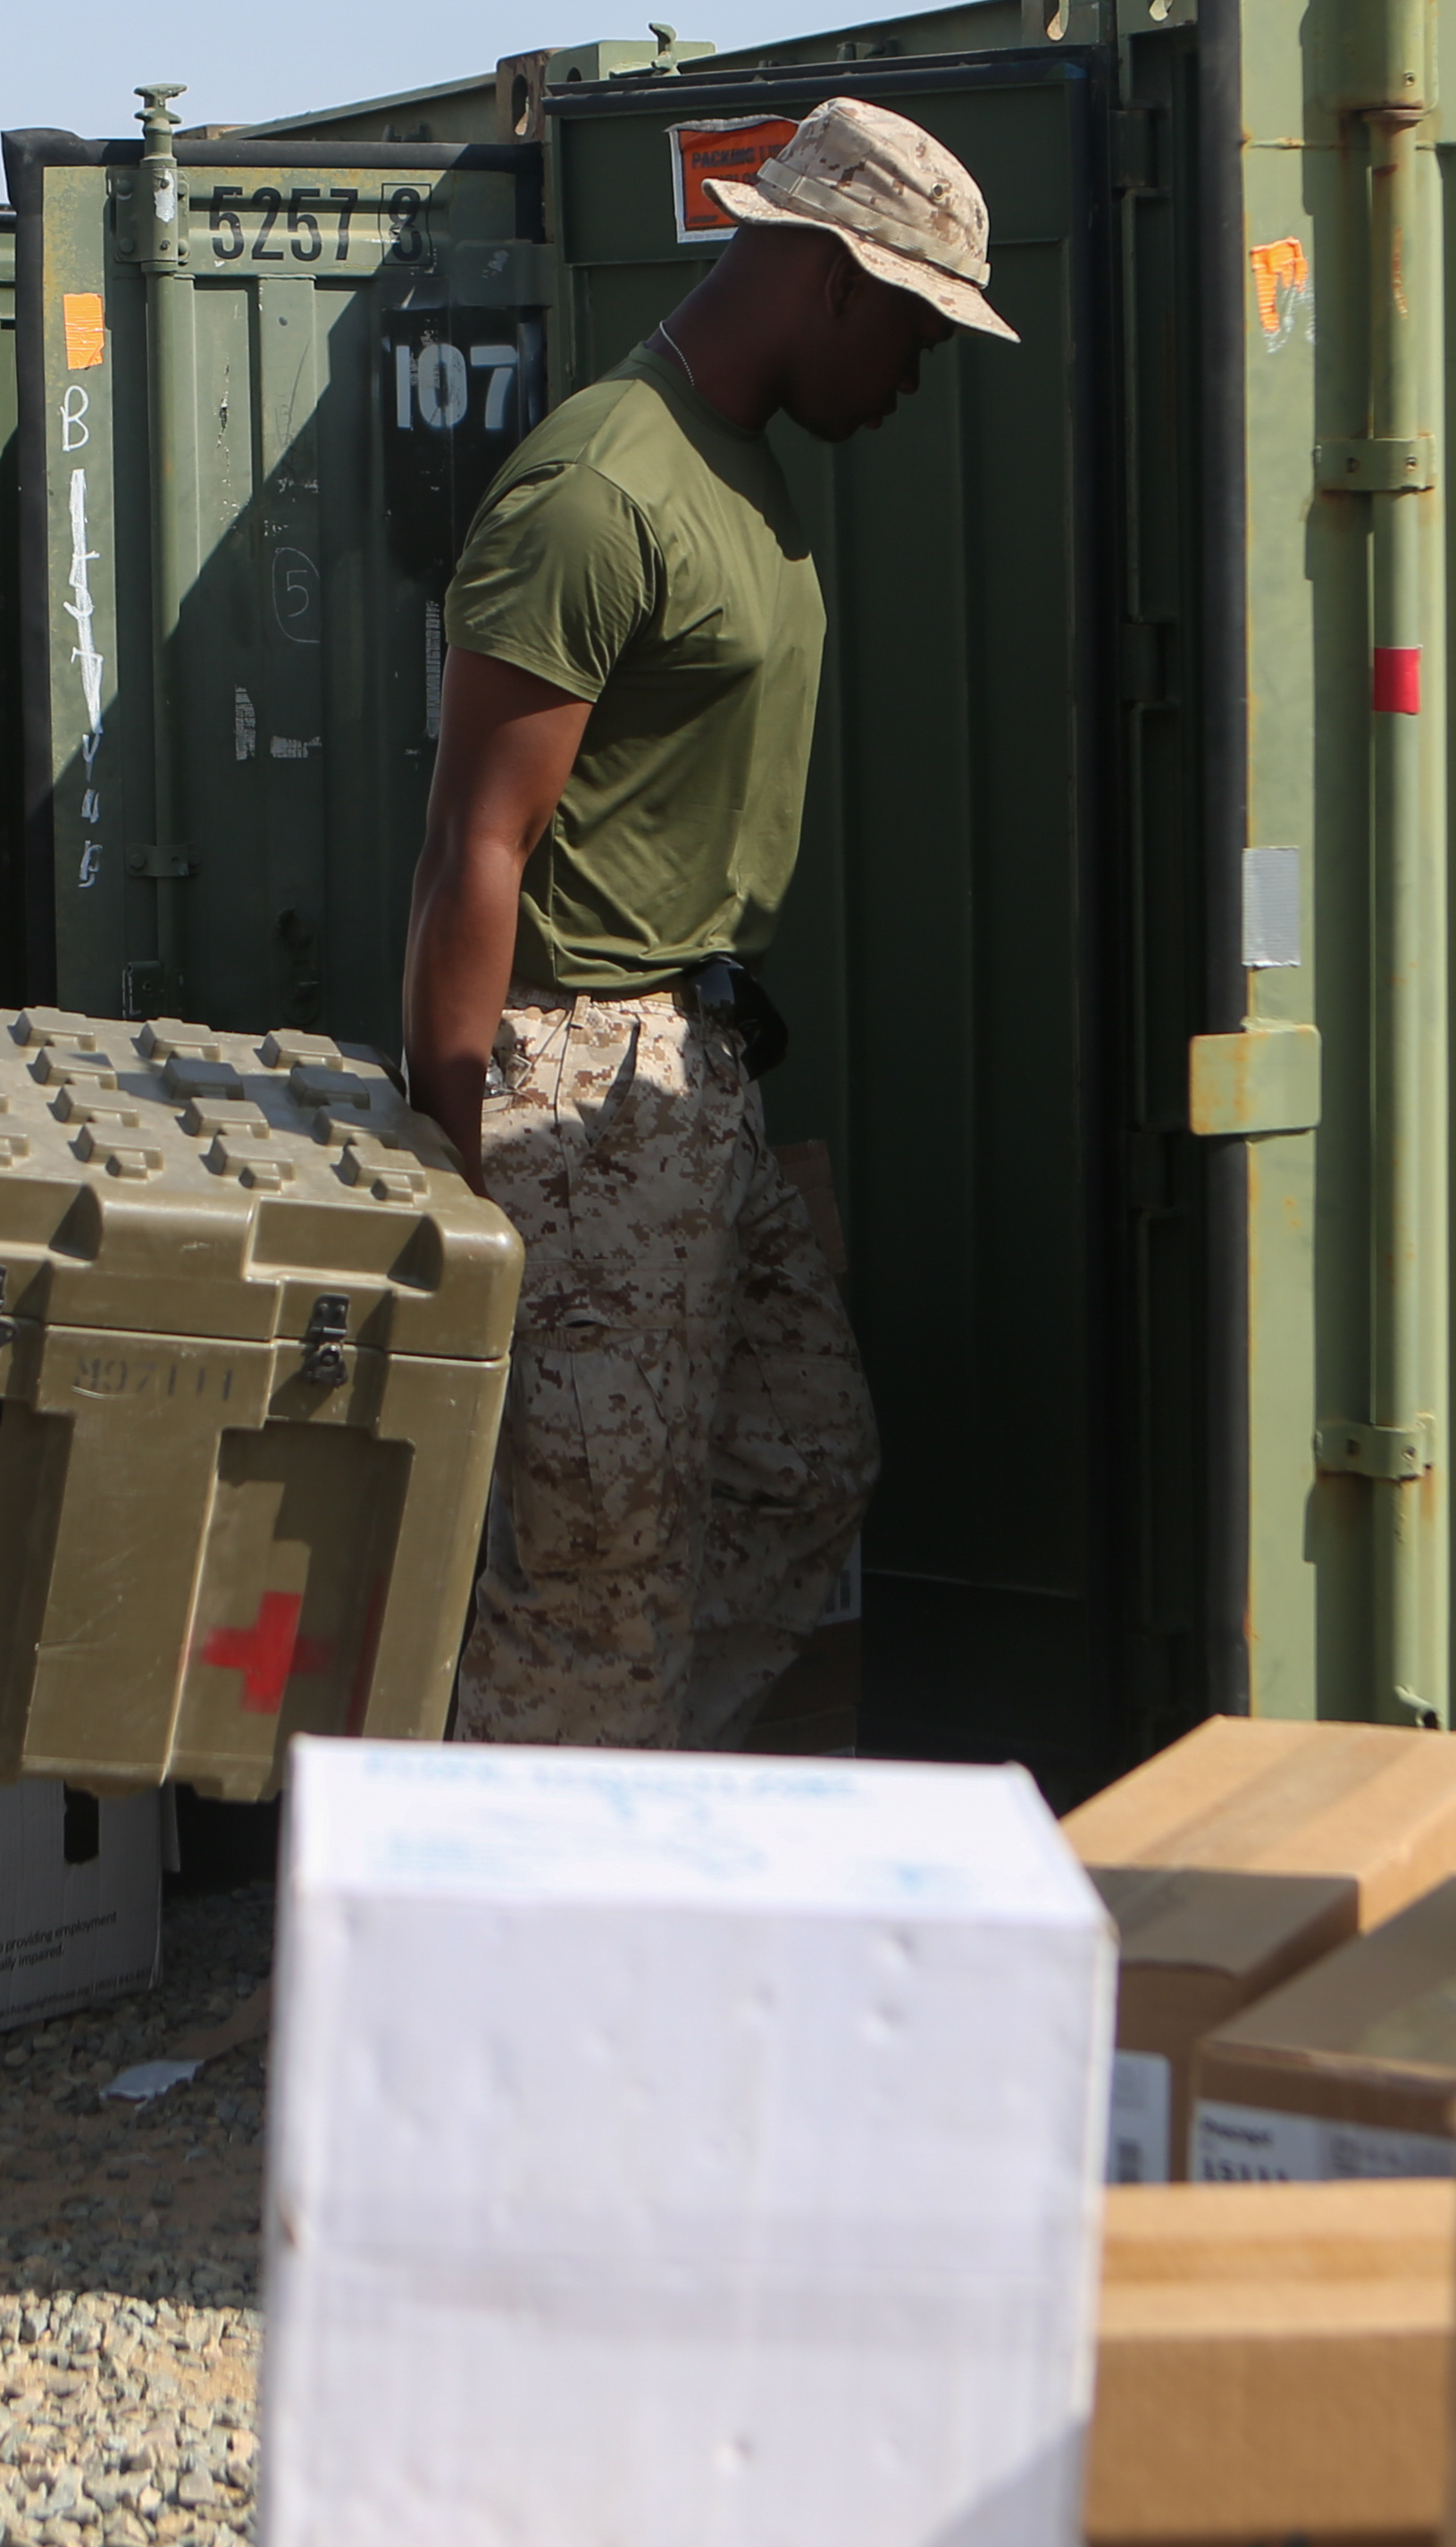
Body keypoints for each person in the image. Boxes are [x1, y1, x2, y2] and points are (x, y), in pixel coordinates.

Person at [401, 97, 1011, 1754]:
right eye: (914, 328)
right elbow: (477, 842)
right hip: (570, 1091)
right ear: (830, 276)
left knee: (800, 1465)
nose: (913, 376)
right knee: (594, 1585)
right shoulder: (600, 490)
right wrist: (460, 1181)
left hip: (687, 1071)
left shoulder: (728, 466)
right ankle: (518, 1918)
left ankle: (605, 1776)